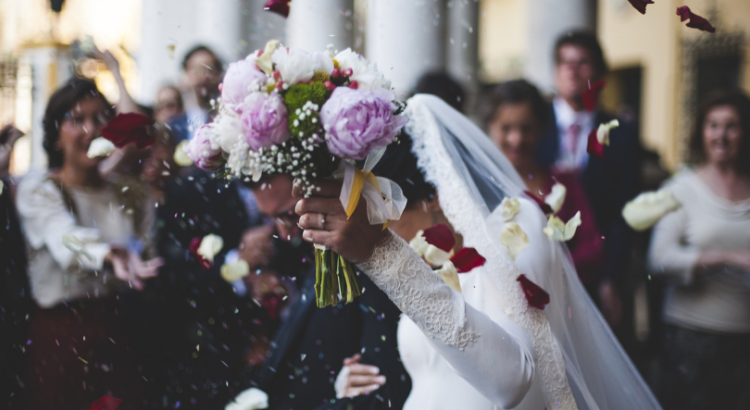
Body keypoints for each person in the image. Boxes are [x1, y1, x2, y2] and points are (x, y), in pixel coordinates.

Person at [296, 94, 660, 409]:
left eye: (386, 220)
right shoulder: (436, 268)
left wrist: (385, 257)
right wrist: (356, 384)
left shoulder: (518, 226)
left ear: (434, 199)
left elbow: (513, 382)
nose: (388, 237)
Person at [15, 78, 162, 409]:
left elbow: (148, 250)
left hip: (122, 329)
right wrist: (108, 254)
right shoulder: (40, 190)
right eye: (77, 120)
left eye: (100, 118)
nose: (92, 130)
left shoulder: (130, 191)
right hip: (63, 335)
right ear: (55, 135)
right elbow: (64, 239)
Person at [228, 174, 412, 410]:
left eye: (288, 215)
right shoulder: (302, 250)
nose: (283, 233)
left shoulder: (368, 257)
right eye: (270, 219)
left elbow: (388, 388)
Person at [648, 89, 750, 410]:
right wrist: (731, 258)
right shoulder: (679, 189)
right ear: (701, 132)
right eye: (713, 125)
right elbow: (658, 262)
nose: (721, 135)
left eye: (731, 126)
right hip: (690, 339)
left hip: (744, 341)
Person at [535, 31, 642, 329]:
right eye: (564, 62)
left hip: (599, 273)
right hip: (539, 265)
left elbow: (625, 212)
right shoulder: (532, 126)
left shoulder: (621, 134)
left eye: (582, 62)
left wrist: (610, 278)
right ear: (555, 70)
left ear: (598, 72)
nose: (572, 70)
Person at [484, 79, 605, 290]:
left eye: (526, 128)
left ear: (540, 129)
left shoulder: (564, 183)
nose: (516, 139)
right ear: (490, 128)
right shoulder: (479, 186)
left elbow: (592, 247)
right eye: (506, 128)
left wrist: (550, 271)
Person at [169, 46, 223, 142]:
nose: (202, 78)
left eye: (209, 70)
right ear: (184, 75)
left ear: (218, 75)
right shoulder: (173, 126)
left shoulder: (224, 120)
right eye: (196, 71)